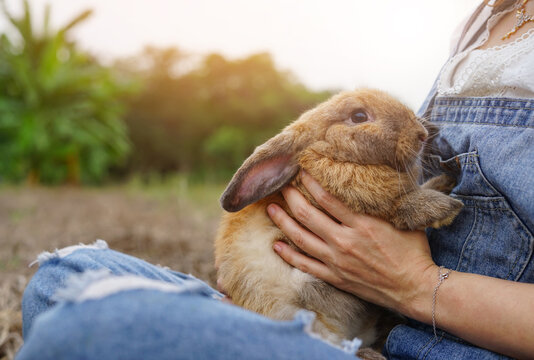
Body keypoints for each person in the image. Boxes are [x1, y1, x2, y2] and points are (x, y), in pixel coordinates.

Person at [16, 0, 534, 359]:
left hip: (421, 343)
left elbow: (402, 205)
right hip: (347, 325)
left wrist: (416, 286)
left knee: (79, 331)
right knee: (65, 280)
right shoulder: (484, 20)